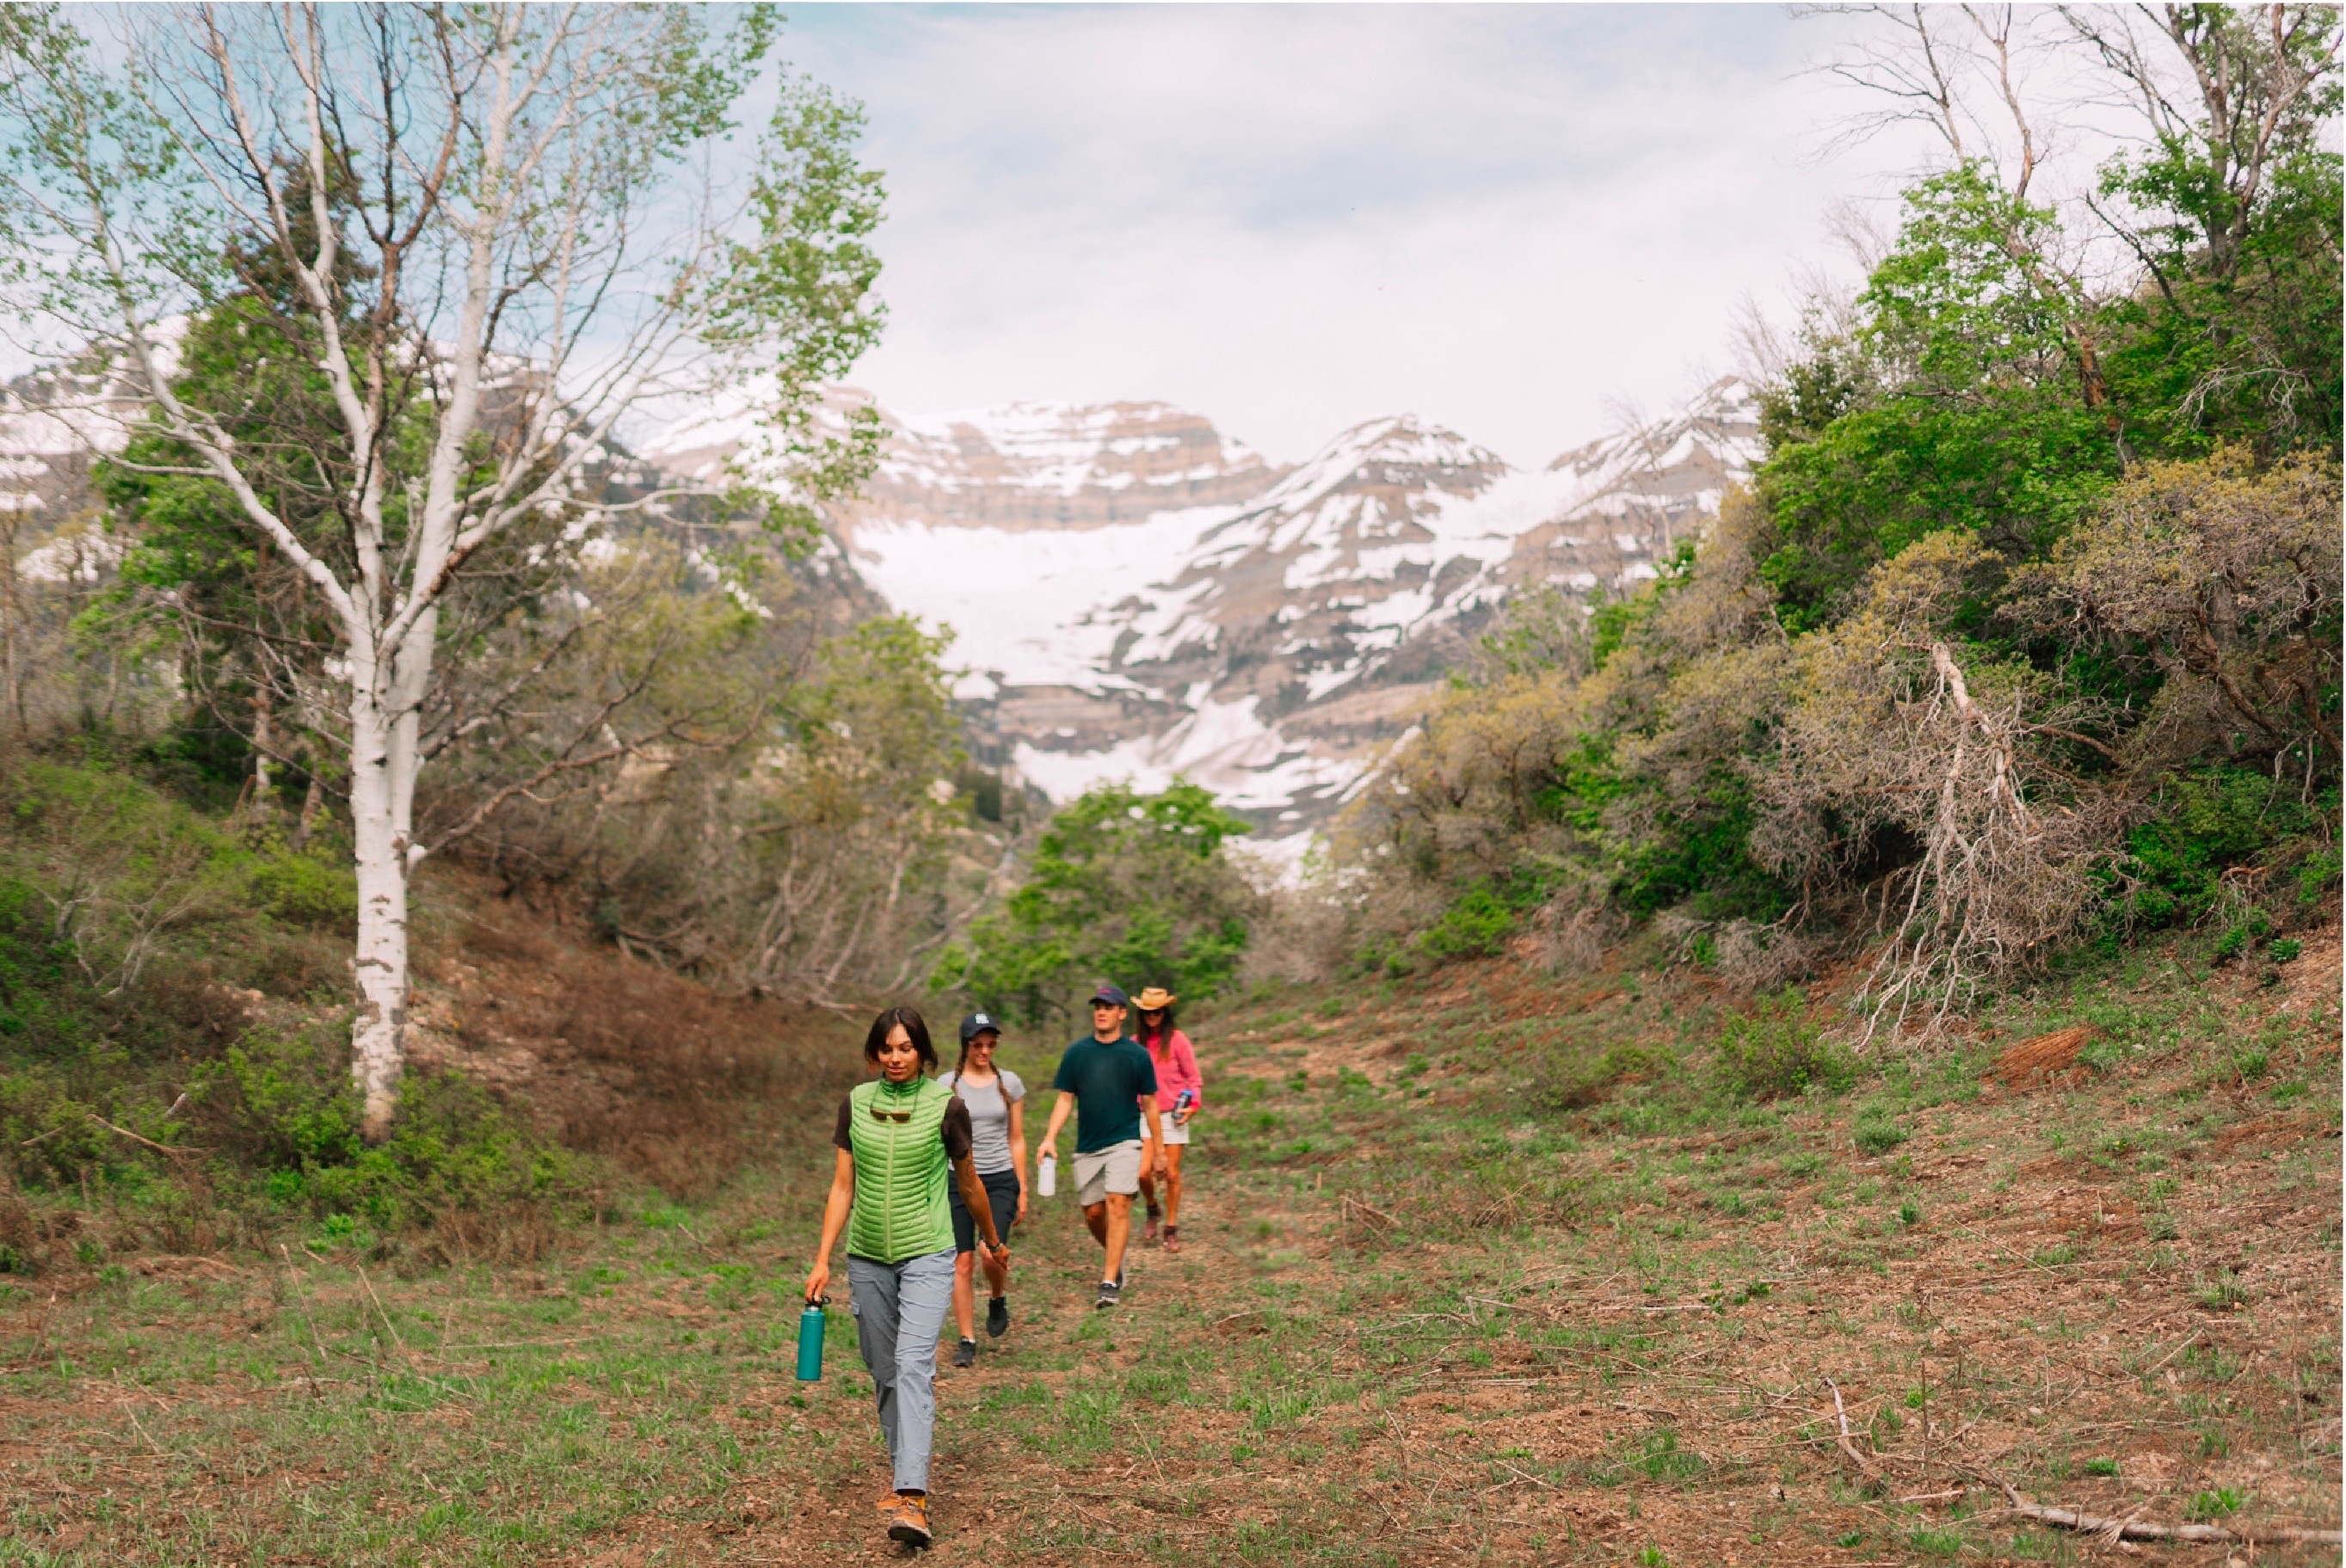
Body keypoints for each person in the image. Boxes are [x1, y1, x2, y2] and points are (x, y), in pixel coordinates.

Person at [804, 1005, 1009, 1549]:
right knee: (883, 1368)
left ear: (923, 1052)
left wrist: (991, 1239)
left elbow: (968, 1184)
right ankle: (904, 1477)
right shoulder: (856, 1103)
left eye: (906, 1048)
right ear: (875, 1053)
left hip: (928, 1251)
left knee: (913, 1363)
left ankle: (913, 1499)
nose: (896, 1057)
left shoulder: (948, 1107)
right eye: (887, 1049)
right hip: (867, 1255)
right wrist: (823, 1258)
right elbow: (842, 1186)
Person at [1035, 983, 1167, 1310]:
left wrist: (1160, 1151)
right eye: (1098, 1007)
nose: (1102, 1012)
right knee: (1094, 1213)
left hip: (1125, 1142)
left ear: (1122, 1013)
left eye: (1109, 1007)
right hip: (1088, 1147)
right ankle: (1116, 1255)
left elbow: (1150, 1104)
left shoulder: (1136, 1055)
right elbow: (1065, 1099)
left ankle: (1108, 1281)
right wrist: (1049, 1137)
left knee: (1118, 1203)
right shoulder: (1077, 1053)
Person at [938, 1011, 1027, 1367]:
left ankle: (997, 1296)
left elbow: (1016, 1139)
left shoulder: (1010, 1083)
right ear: (965, 1045)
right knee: (962, 1261)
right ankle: (966, 1339)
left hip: (999, 1177)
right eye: (978, 1044)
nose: (985, 1050)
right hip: (957, 1179)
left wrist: (1023, 1190)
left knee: (992, 1252)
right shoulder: (947, 1085)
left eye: (991, 1044)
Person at [1130, 987, 1203, 1253]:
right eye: (1147, 1011)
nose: (1152, 1016)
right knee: (1142, 1172)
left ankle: (1171, 1229)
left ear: (1165, 1012)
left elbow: (1193, 1078)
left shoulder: (1177, 1041)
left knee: (1171, 1173)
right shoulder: (1134, 1044)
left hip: (1172, 1114)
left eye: (1157, 1011)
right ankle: (1152, 1206)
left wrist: (1193, 1104)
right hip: (1142, 1115)